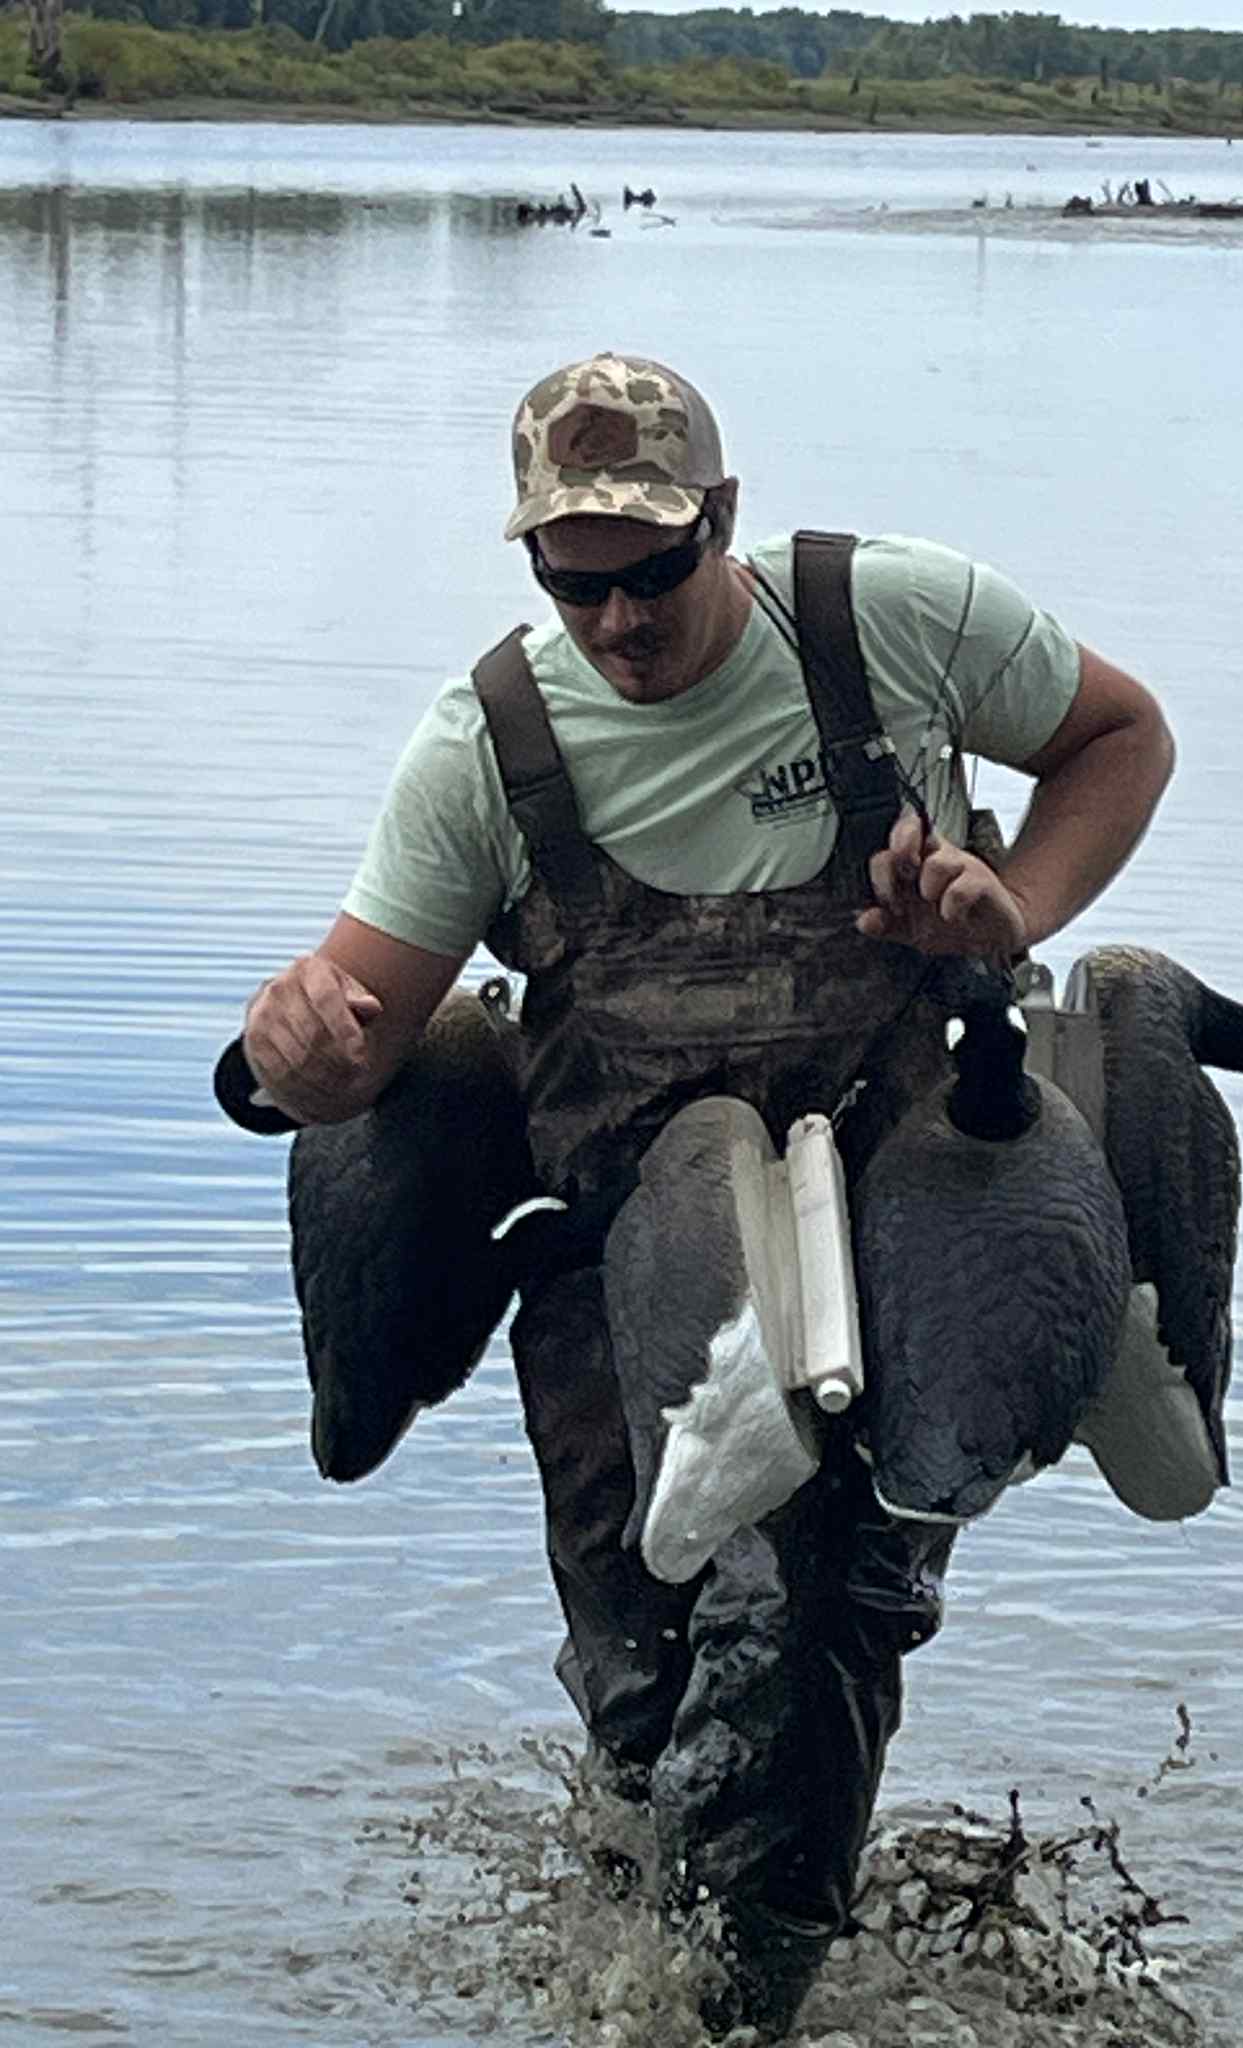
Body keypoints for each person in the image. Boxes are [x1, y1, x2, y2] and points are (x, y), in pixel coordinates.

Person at [239, 352, 1175, 2036]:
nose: (617, 620)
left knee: (816, 1611)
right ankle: (657, 1966)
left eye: (654, 570)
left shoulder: (887, 621)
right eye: (571, 580)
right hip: (622, 1272)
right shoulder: (488, 743)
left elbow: (1124, 734)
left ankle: (753, 1992)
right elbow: (346, 1029)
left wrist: (1011, 905)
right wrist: (295, 1049)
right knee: (645, 1696)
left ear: (721, 523)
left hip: (893, 1232)